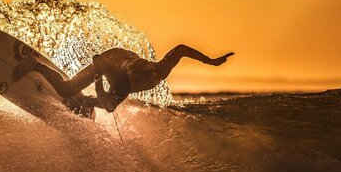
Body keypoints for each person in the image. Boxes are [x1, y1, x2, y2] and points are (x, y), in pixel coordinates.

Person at [14, 44, 234, 113]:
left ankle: (85, 101)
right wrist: (99, 86)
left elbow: (182, 49)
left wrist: (210, 61)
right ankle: (34, 64)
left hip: (122, 81)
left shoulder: (162, 69)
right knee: (66, 90)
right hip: (110, 61)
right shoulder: (120, 71)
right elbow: (97, 59)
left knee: (107, 105)